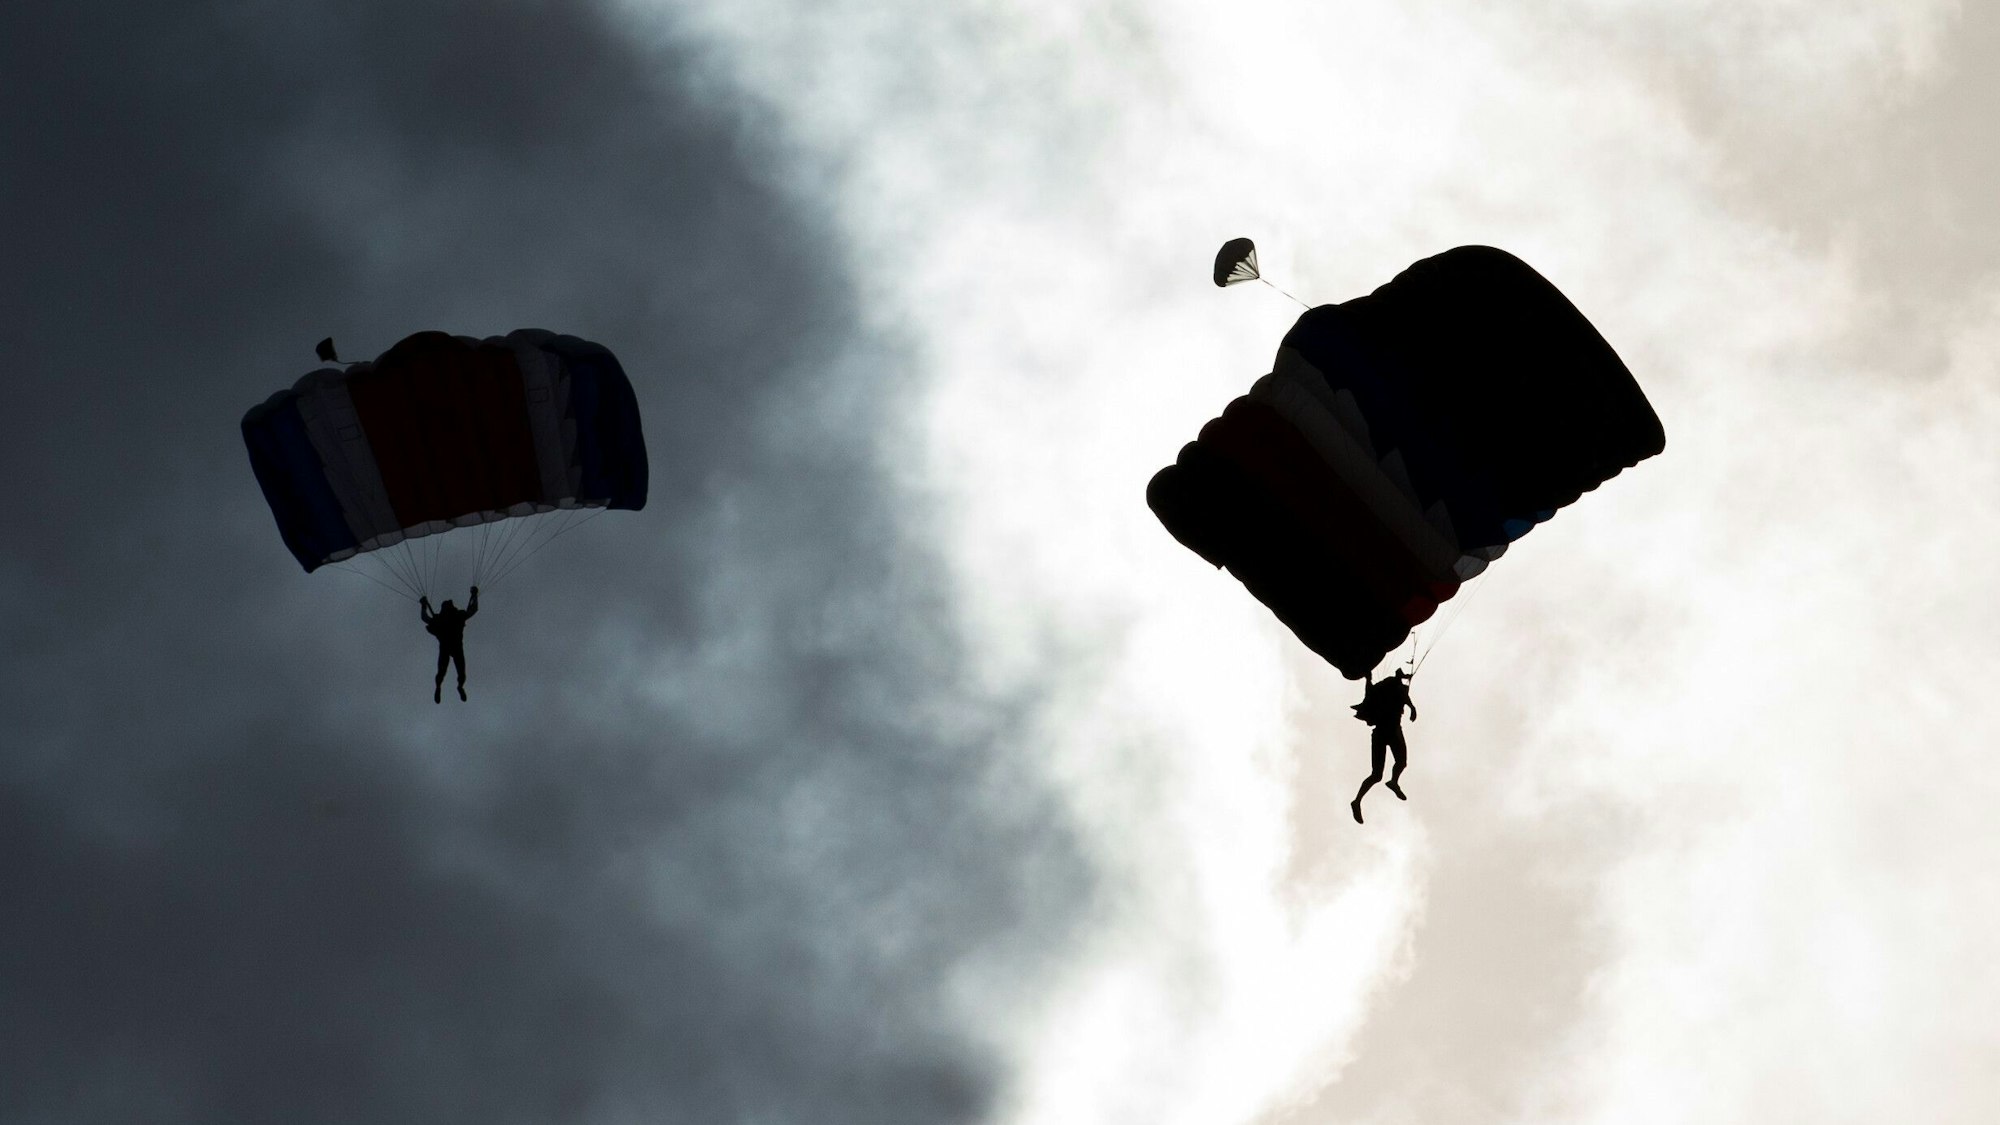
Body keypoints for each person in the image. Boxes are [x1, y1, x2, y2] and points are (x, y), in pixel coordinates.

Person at [1350, 667, 1416, 824]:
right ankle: (1357, 801)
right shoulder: (1391, 686)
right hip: (1387, 731)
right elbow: (1373, 693)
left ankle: (1392, 782)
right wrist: (1368, 679)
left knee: (1394, 766)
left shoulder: (1396, 689)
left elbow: (1403, 697)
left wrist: (1412, 708)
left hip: (1385, 732)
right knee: (1380, 773)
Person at [420, 586, 479, 703]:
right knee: (445, 672)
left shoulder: (448, 618)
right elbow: (473, 609)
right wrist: (474, 596)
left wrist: (423, 606)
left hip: (452, 648)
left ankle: (456, 686)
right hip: (450, 648)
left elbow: (425, 617)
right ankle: (443, 687)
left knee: (457, 672)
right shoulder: (455, 616)